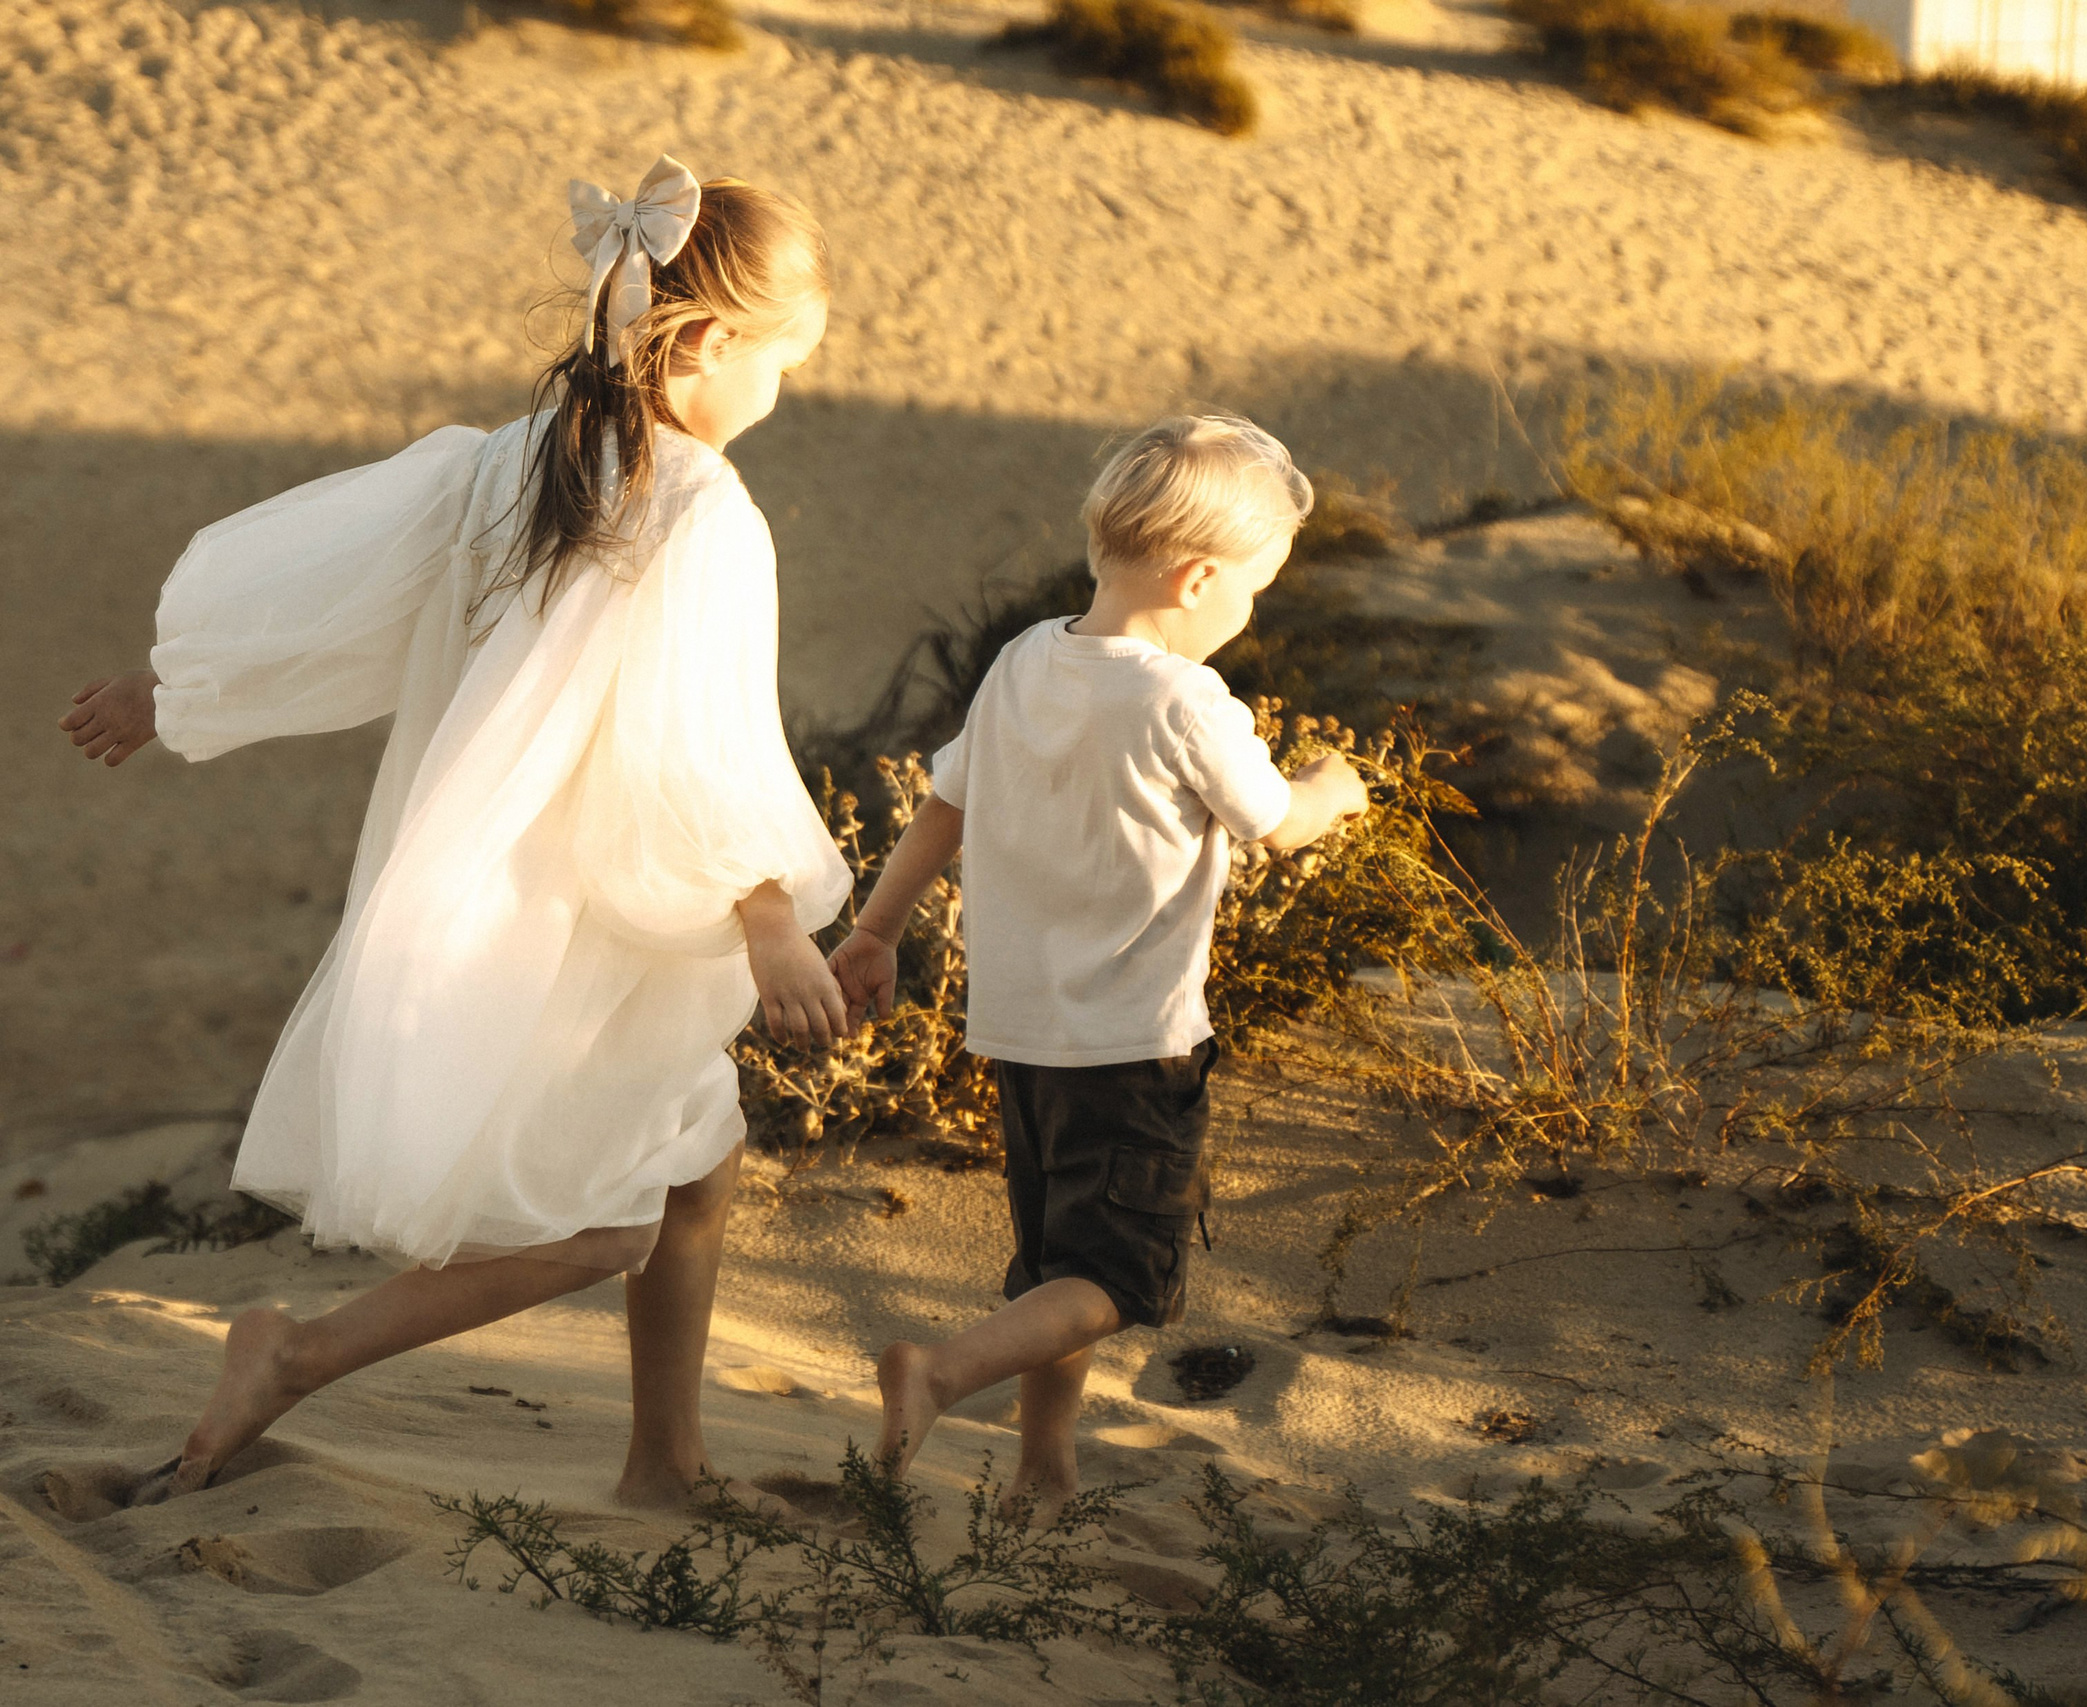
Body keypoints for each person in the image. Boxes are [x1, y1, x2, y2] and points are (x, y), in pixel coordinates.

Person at [54, 156, 853, 1506]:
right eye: (782, 362)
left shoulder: (518, 457)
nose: (779, 392)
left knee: (695, 1155)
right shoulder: (707, 510)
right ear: (711, 342)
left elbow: (335, 585)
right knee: (602, 1219)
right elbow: (697, 738)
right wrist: (768, 912)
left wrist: (177, 685)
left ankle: (665, 1457)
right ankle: (292, 1350)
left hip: (493, 882)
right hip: (579, 921)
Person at [831, 414, 1368, 1522]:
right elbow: (1274, 823)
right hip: (1134, 1042)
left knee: (1054, 1269)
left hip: (1020, 1035)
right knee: (1115, 1281)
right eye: (1253, 590)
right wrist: (1336, 787)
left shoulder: (1026, 658)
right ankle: (941, 1372)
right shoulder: (1185, 701)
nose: (1249, 612)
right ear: (1199, 576)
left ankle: (1044, 1472)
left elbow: (945, 809)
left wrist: (875, 930)